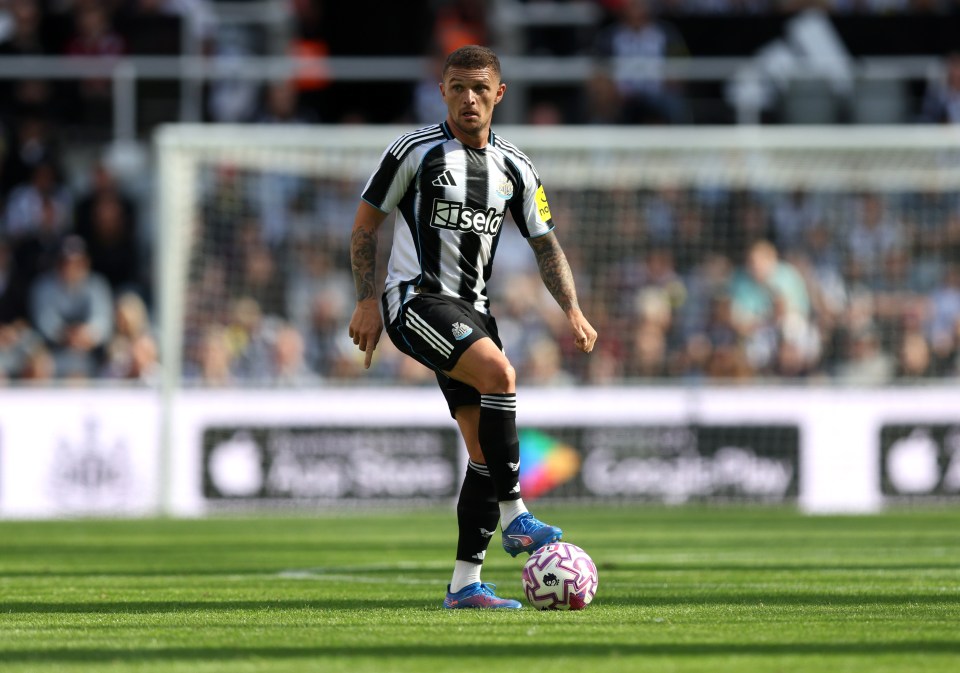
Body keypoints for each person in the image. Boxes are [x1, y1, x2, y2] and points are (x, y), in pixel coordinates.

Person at [348, 45, 597, 609]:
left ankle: (465, 584)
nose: (468, 98)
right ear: (443, 90)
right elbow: (365, 227)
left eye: (479, 89)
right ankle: (517, 517)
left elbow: (546, 244)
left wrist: (574, 312)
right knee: (501, 373)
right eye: (457, 87)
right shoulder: (413, 151)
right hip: (415, 301)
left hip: (473, 312)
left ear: (499, 94)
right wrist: (366, 301)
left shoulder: (515, 167)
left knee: (484, 452)